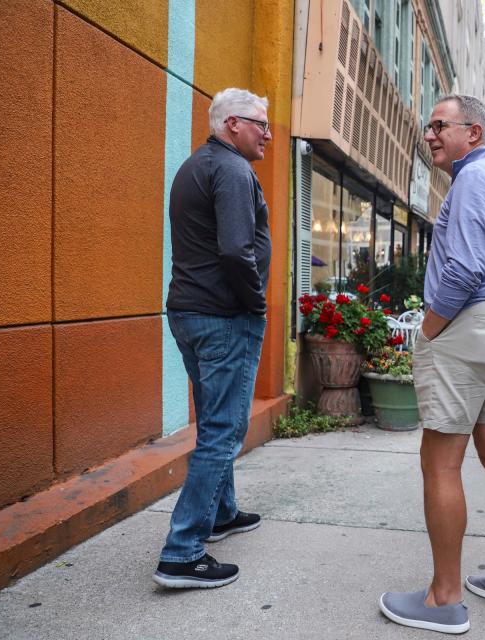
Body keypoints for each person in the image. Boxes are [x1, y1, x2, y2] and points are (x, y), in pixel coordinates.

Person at [379, 94, 485, 634]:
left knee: (440, 463)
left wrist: (427, 330)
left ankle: (444, 598)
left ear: (473, 132)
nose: (429, 135)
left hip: (468, 325)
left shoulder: (471, 181)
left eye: (439, 125)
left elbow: (465, 269)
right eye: (428, 126)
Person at [153, 88, 273, 589]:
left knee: (213, 421)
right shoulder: (232, 170)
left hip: (189, 311)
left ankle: (221, 513)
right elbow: (234, 250)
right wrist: (256, 303)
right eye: (259, 124)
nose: (267, 133)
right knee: (224, 431)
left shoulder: (195, 164)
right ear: (231, 125)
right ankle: (182, 552)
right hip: (224, 317)